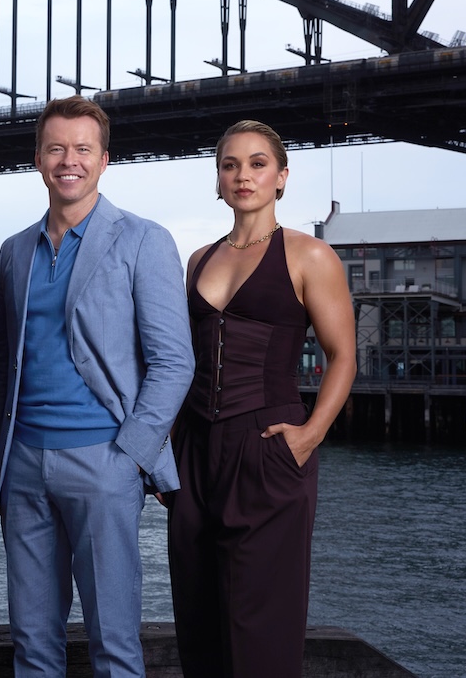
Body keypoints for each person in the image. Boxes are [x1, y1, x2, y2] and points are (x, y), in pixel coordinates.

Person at [0, 95, 194, 678]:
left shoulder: (145, 240)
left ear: (103, 160)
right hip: (21, 463)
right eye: (55, 148)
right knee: (32, 641)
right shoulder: (16, 251)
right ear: (38, 158)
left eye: (82, 149)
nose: (68, 160)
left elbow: (173, 362)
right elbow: (0, 361)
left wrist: (130, 458)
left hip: (104, 460)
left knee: (114, 641)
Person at [168, 120, 355, 678]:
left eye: (256, 164)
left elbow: (343, 355)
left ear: (281, 178)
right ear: (218, 179)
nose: (242, 175)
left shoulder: (310, 255)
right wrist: (170, 451)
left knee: (261, 631)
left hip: (269, 445)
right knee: (197, 621)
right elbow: (184, 360)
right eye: (230, 164)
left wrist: (309, 435)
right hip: (195, 451)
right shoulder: (198, 259)